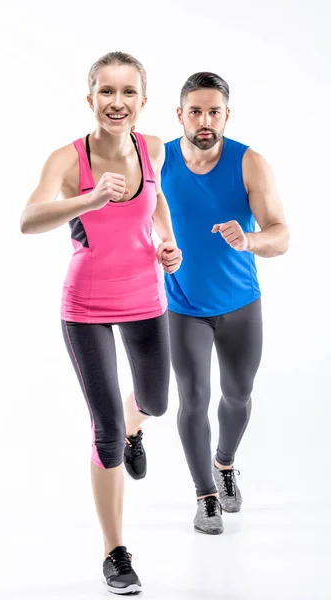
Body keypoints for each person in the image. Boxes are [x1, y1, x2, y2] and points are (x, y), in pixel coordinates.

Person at [20, 51, 181, 594]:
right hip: (85, 305)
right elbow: (28, 220)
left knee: (155, 401)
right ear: (90, 99)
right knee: (105, 431)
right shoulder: (67, 161)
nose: (117, 103)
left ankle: (136, 427)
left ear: (142, 100)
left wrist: (167, 241)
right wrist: (88, 198)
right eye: (106, 92)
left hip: (145, 296)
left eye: (128, 92)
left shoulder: (152, 147)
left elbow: (156, 203)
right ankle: (115, 551)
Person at [161, 72, 289, 535]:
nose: (205, 120)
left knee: (237, 395)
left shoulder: (250, 162)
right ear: (180, 115)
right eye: (195, 111)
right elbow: (135, 217)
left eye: (214, 111)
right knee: (193, 398)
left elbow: (282, 236)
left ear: (226, 115)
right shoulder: (159, 159)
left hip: (240, 305)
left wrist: (249, 239)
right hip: (184, 305)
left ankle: (225, 463)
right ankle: (205, 495)